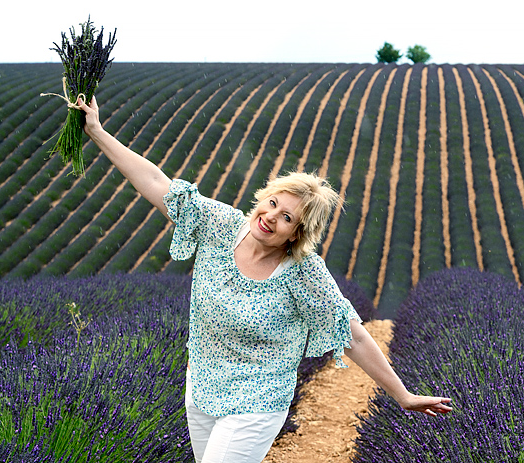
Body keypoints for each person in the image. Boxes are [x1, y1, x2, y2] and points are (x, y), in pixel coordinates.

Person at [76, 96, 452, 463]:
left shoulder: (304, 273)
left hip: (257, 403)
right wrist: (97, 131)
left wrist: (402, 394)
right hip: (202, 389)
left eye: (287, 217)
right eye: (273, 203)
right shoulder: (219, 225)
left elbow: (349, 332)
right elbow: (157, 182)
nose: (272, 217)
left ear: (296, 235)